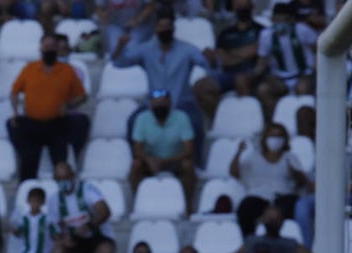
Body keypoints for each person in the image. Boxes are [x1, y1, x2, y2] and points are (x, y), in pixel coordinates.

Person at [112, 7, 217, 156]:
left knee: (196, 125)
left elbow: (207, 64)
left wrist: (211, 59)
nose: (165, 30)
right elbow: (119, 63)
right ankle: (139, 162)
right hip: (153, 103)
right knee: (133, 121)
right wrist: (120, 46)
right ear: (155, 28)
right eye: (161, 26)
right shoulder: (146, 49)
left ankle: (196, 165)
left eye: (168, 26)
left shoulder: (187, 49)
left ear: (174, 27)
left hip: (182, 102)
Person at [8, 34, 87, 182]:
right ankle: (27, 192)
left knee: (61, 164)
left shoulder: (67, 71)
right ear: (40, 48)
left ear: (57, 49)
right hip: (32, 124)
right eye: (46, 46)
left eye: (52, 46)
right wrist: (14, 112)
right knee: (27, 161)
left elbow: (82, 96)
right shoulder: (29, 69)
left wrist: (69, 104)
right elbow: (14, 92)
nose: (49, 49)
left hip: (57, 125)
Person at [229, 124, 308, 236]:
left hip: (284, 198)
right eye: (272, 136)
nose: (276, 139)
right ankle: (249, 243)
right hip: (258, 197)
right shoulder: (253, 157)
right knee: (245, 208)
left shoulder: (290, 157)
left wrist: (295, 173)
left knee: (293, 205)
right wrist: (238, 153)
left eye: (279, 136)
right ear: (265, 138)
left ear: (285, 139)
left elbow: (302, 182)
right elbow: (234, 173)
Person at [128, 88, 197, 211]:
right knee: (136, 165)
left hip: (175, 161)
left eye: (163, 103)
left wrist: (164, 161)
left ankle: (187, 206)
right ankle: (137, 203)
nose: (160, 106)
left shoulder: (182, 117)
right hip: (151, 162)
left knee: (188, 165)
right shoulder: (142, 118)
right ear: (151, 104)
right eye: (156, 103)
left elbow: (189, 149)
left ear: (170, 103)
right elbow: (137, 148)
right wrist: (149, 160)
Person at [254, 2, 318, 122]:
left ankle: (302, 122)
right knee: (263, 90)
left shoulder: (302, 30)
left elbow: (319, 50)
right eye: (276, 21)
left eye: (282, 20)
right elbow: (261, 62)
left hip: (303, 75)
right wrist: (256, 76)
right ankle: (276, 122)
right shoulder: (266, 35)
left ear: (291, 20)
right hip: (280, 77)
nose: (279, 24)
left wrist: (313, 72)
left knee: (302, 88)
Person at [47, 162, 115, 253]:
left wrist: (89, 226)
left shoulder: (87, 189)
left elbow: (105, 211)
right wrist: (62, 239)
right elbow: (54, 228)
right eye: (59, 179)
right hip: (73, 240)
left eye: (66, 178)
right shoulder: (54, 200)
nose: (63, 182)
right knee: (57, 251)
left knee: (105, 250)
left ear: (73, 176)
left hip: (97, 237)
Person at [213, 0, 264, 94]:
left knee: (240, 80)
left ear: (252, 7)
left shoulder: (261, 30)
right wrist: (246, 54)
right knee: (202, 85)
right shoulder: (225, 33)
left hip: (253, 71)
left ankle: (247, 108)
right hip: (228, 74)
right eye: (239, 7)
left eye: (245, 6)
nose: (242, 10)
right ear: (233, 9)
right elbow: (223, 59)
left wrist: (231, 53)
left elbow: (257, 50)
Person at [9, 186, 51, 253]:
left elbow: (54, 235)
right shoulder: (23, 219)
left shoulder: (47, 219)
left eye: (38, 201)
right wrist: (14, 231)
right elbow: (18, 234)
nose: (35, 203)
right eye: (33, 200)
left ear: (43, 202)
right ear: (28, 201)